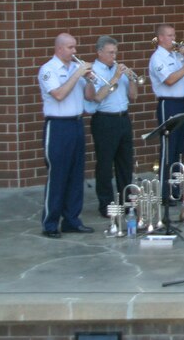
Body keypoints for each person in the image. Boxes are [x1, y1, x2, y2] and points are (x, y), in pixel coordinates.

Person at [37, 33, 94, 238]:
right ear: (59, 48)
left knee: (76, 175)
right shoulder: (48, 70)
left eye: (75, 47)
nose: (74, 52)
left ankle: (72, 220)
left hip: (77, 123)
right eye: (70, 47)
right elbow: (59, 94)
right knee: (58, 175)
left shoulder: (74, 69)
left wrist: (88, 80)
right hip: (58, 125)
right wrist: (77, 74)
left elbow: (89, 96)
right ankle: (50, 223)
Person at [149, 23, 184, 203]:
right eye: (169, 35)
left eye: (174, 35)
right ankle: (165, 193)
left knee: (180, 150)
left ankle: (177, 189)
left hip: (182, 103)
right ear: (160, 38)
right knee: (169, 148)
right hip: (168, 103)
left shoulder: (177, 55)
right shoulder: (157, 57)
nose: (174, 39)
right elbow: (170, 80)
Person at [84, 36, 139, 219]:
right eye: (110, 52)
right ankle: (106, 204)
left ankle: (127, 202)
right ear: (99, 52)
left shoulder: (119, 70)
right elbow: (97, 97)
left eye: (115, 52)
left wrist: (131, 79)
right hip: (104, 120)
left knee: (126, 164)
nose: (114, 56)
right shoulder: (92, 72)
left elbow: (133, 97)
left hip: (123, 119)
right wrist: (115, 77)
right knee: (105, 165)